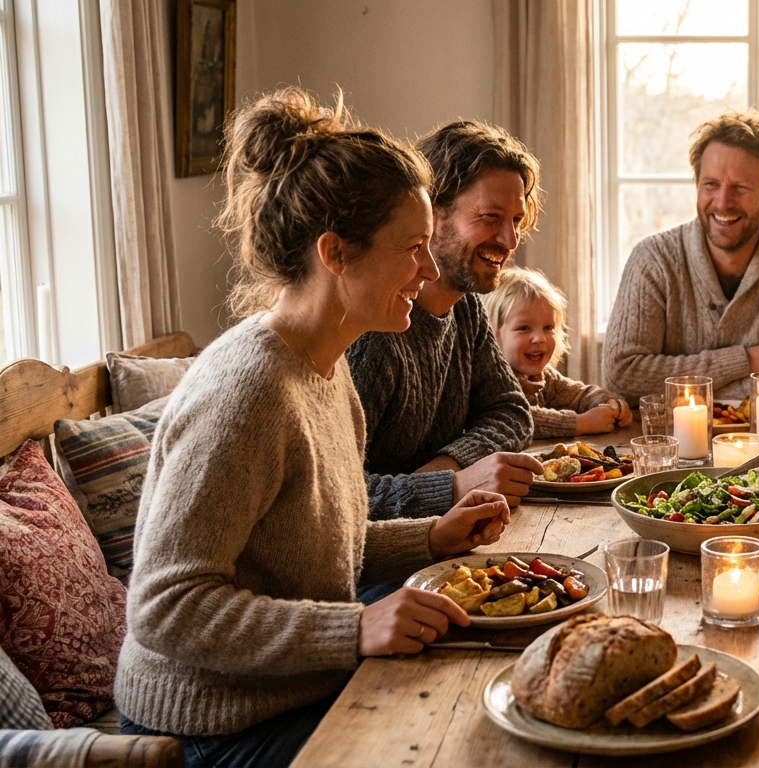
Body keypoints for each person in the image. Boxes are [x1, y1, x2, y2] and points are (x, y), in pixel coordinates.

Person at [116, 88, 511, 768]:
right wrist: (355, 626)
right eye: (412, 248)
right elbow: (165, 607)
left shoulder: (326, 369)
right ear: (335, 253)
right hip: (208, 733)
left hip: (292, 691)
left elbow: (310, 551)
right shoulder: (246, 393)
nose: (427, 268)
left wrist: (426, 536)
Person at [347, 121, 541, 512]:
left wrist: (449, 467)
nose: (509, 240)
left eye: (516, 221)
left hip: (442, 534)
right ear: (430, 213)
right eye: (490, 217)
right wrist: (450, 486)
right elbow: (338, 495)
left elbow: (511, 411)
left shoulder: (465, 307)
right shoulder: (374, 332)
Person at [602, 109, 759, 401]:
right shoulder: (652, 259)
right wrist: (746, 361)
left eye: (740, 188)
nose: (722, 202)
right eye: (711, 185)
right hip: (669, 446)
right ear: (697, 185)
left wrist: (684, 390)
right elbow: (622, 376)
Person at [484, 267, 632, 438]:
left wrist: (610, 404)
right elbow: (515, 417)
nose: (540, 338)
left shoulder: (543, 377)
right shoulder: (492, 380)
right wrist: (581, 423)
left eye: (548, 328)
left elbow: (580, 394)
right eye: (524, 328)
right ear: (492, 335)